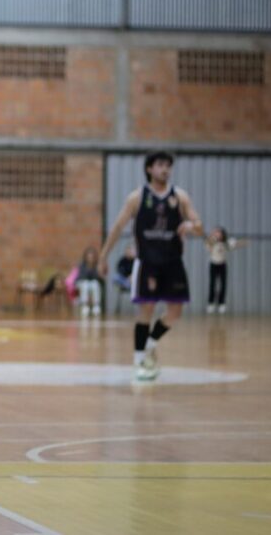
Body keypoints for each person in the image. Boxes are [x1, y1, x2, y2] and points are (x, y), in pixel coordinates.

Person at [99, 151, 203, 382]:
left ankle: (150, 344)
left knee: (175, 312)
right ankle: (139, 361)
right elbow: (117, 227)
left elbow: (198, 225)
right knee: (146, 309)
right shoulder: (137, 197)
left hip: (173, 261)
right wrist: (103, 257)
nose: (165, 169)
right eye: (160, 165)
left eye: (168, 165)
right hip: (148, 262)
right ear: (149, 169)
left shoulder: (180, 196)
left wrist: (191, 225)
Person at [204, 226, 246, 314]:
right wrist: (213, 237)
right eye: (216, 233)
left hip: (222, 264)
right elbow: (208, 244)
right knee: (212, 284)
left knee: (223, 284)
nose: (217, 234)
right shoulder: (211, 242)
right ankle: (211, 303)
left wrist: (243, 242)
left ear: (222, 234)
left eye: (219, 233)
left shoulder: (225, 243)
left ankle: (221, 303)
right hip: (213, 264)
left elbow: (236, 244)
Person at [75, 246, 102, 317]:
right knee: (86, 284)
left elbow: (97, 278)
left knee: (95, 284)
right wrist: (89, 270)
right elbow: (82, 277)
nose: (90, 258)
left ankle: (96, 306)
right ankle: (85, 305)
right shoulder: (81, 265)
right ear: (86, 257)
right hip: (81, 283)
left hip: (92, 283)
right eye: (89, 256)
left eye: (92, 256)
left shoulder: (97, 265)